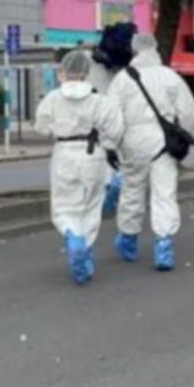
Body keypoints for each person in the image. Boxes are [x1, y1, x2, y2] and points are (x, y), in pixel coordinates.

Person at [106, 33, 194, 272]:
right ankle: (164, 245)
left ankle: (128, 240)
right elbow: (188, 111)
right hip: (163, 144)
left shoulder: (122, 80)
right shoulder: (170, 76)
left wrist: (111, 145)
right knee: (164, 193)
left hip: (132, 144)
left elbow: (112, 117)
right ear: (155, 48)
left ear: (134, 50)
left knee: (132, 191)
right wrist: (184, 134)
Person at [35, 50, 125, 285]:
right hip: (93, 155)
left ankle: (73, 238)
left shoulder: (52, 99)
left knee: (64, 206)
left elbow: (41, 127)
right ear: (87, 72)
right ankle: (84, 250)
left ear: (63, 72)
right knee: (90, 206)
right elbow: (114, 131)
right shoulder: (100, 101)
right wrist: (107, 146)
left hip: (64, 155)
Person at [88, 22, 137, 217]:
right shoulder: (125, 71)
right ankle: (114, 184)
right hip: (115, 123)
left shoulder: (93, 65)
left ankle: (107, 187)